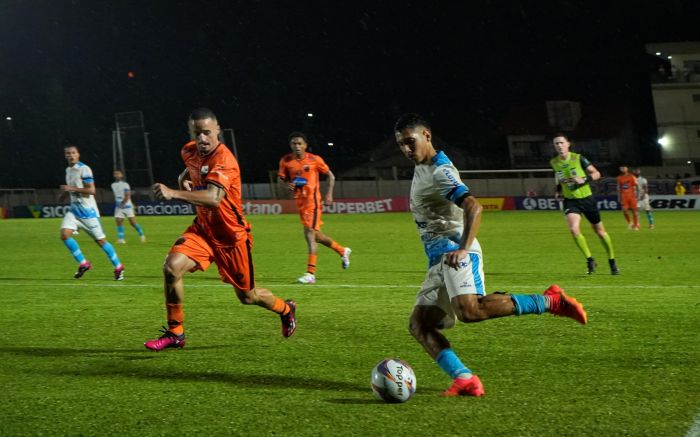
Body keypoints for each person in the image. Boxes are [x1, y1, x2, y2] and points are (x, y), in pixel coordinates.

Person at [395, 113, 588, 398]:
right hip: (438, 259)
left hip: (456, 251)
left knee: (471, 311)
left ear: (427, 136)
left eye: (410, 142)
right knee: (419, 325)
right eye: (401, 144)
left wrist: (462, 248)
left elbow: (474, 206)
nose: (406, 150)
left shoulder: (440, 171)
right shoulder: (423, 167)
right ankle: (465, 379)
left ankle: (551, 301)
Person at [144, 108, 296, 351]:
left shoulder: (225, 161)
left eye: (207, 133)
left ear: (218, 131)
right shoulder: (189, 151)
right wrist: (183, 179)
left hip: (231, 238)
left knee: (248, 297)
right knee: (171, 268)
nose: (202, 139)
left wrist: (174, 193)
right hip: (203, 231)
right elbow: (189, 170)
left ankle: (286, 309)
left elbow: (214, 197)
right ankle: (176, 333)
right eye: (197, 133)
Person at [277, 132, 351, 284]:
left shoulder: (314, 160)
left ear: (305, 145)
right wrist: (287, 186)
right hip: (300, 203)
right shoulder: (286, 161)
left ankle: (310, 274)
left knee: (310, 236)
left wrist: (329, 194)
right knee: (317, 236)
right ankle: (342, 251)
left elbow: (331, 176)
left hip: (313, 203)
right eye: (294, 144)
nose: (297, 146)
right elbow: (280, 181)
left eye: (299, 143)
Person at [550, 134, 619, 275]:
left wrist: (584, 179)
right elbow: (559, 178)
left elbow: (597, 174)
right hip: (571, 200)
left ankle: (612, 261)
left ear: (568, 144)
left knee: (600, 232)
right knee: (574, 230)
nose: (559, 145)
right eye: (556, 143)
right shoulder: (554, 162)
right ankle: (590, 259)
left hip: (587, 199)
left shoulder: (578, 158)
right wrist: (558, 190)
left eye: (561, 142)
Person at [59, 145, 125, 280]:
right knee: (65, 234)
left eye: (73, 153)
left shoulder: (84, 169)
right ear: (65, 156)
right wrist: (64, 193)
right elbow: (70, 190)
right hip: (74, 211)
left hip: (88, 213)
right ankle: (83, 263)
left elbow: (91, 191)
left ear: (78, 154)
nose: (71, 155)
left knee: (101, 241)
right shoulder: (68, 170)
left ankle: (118, 266)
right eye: (68, 153)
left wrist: (71, 188)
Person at [111, 169, 146, 243]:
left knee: (133, 222)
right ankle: (121, 239)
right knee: (119, 221)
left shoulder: (125, 184)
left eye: (118, 174)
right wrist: (118, 204)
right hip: (119, 206)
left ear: (121, 175)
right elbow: (116, 195)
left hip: (127, 206)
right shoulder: (113, 185)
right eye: (115, 174)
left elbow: (127, 195)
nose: (117, 175)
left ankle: (142, 235)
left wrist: (123, 203)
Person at [616, 166, 639, 230]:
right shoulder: (619, 178)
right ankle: (630, 223)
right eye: (621, 168)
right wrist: (619, 197)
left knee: (634, 212)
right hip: (624, 197)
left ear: (627, 169)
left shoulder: (631, 176)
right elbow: (618, 188)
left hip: (632, 197)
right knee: (625, 211)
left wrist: (637, 195)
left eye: (624, 168)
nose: (623, 169)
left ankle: (636, 225)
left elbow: (637, 186)